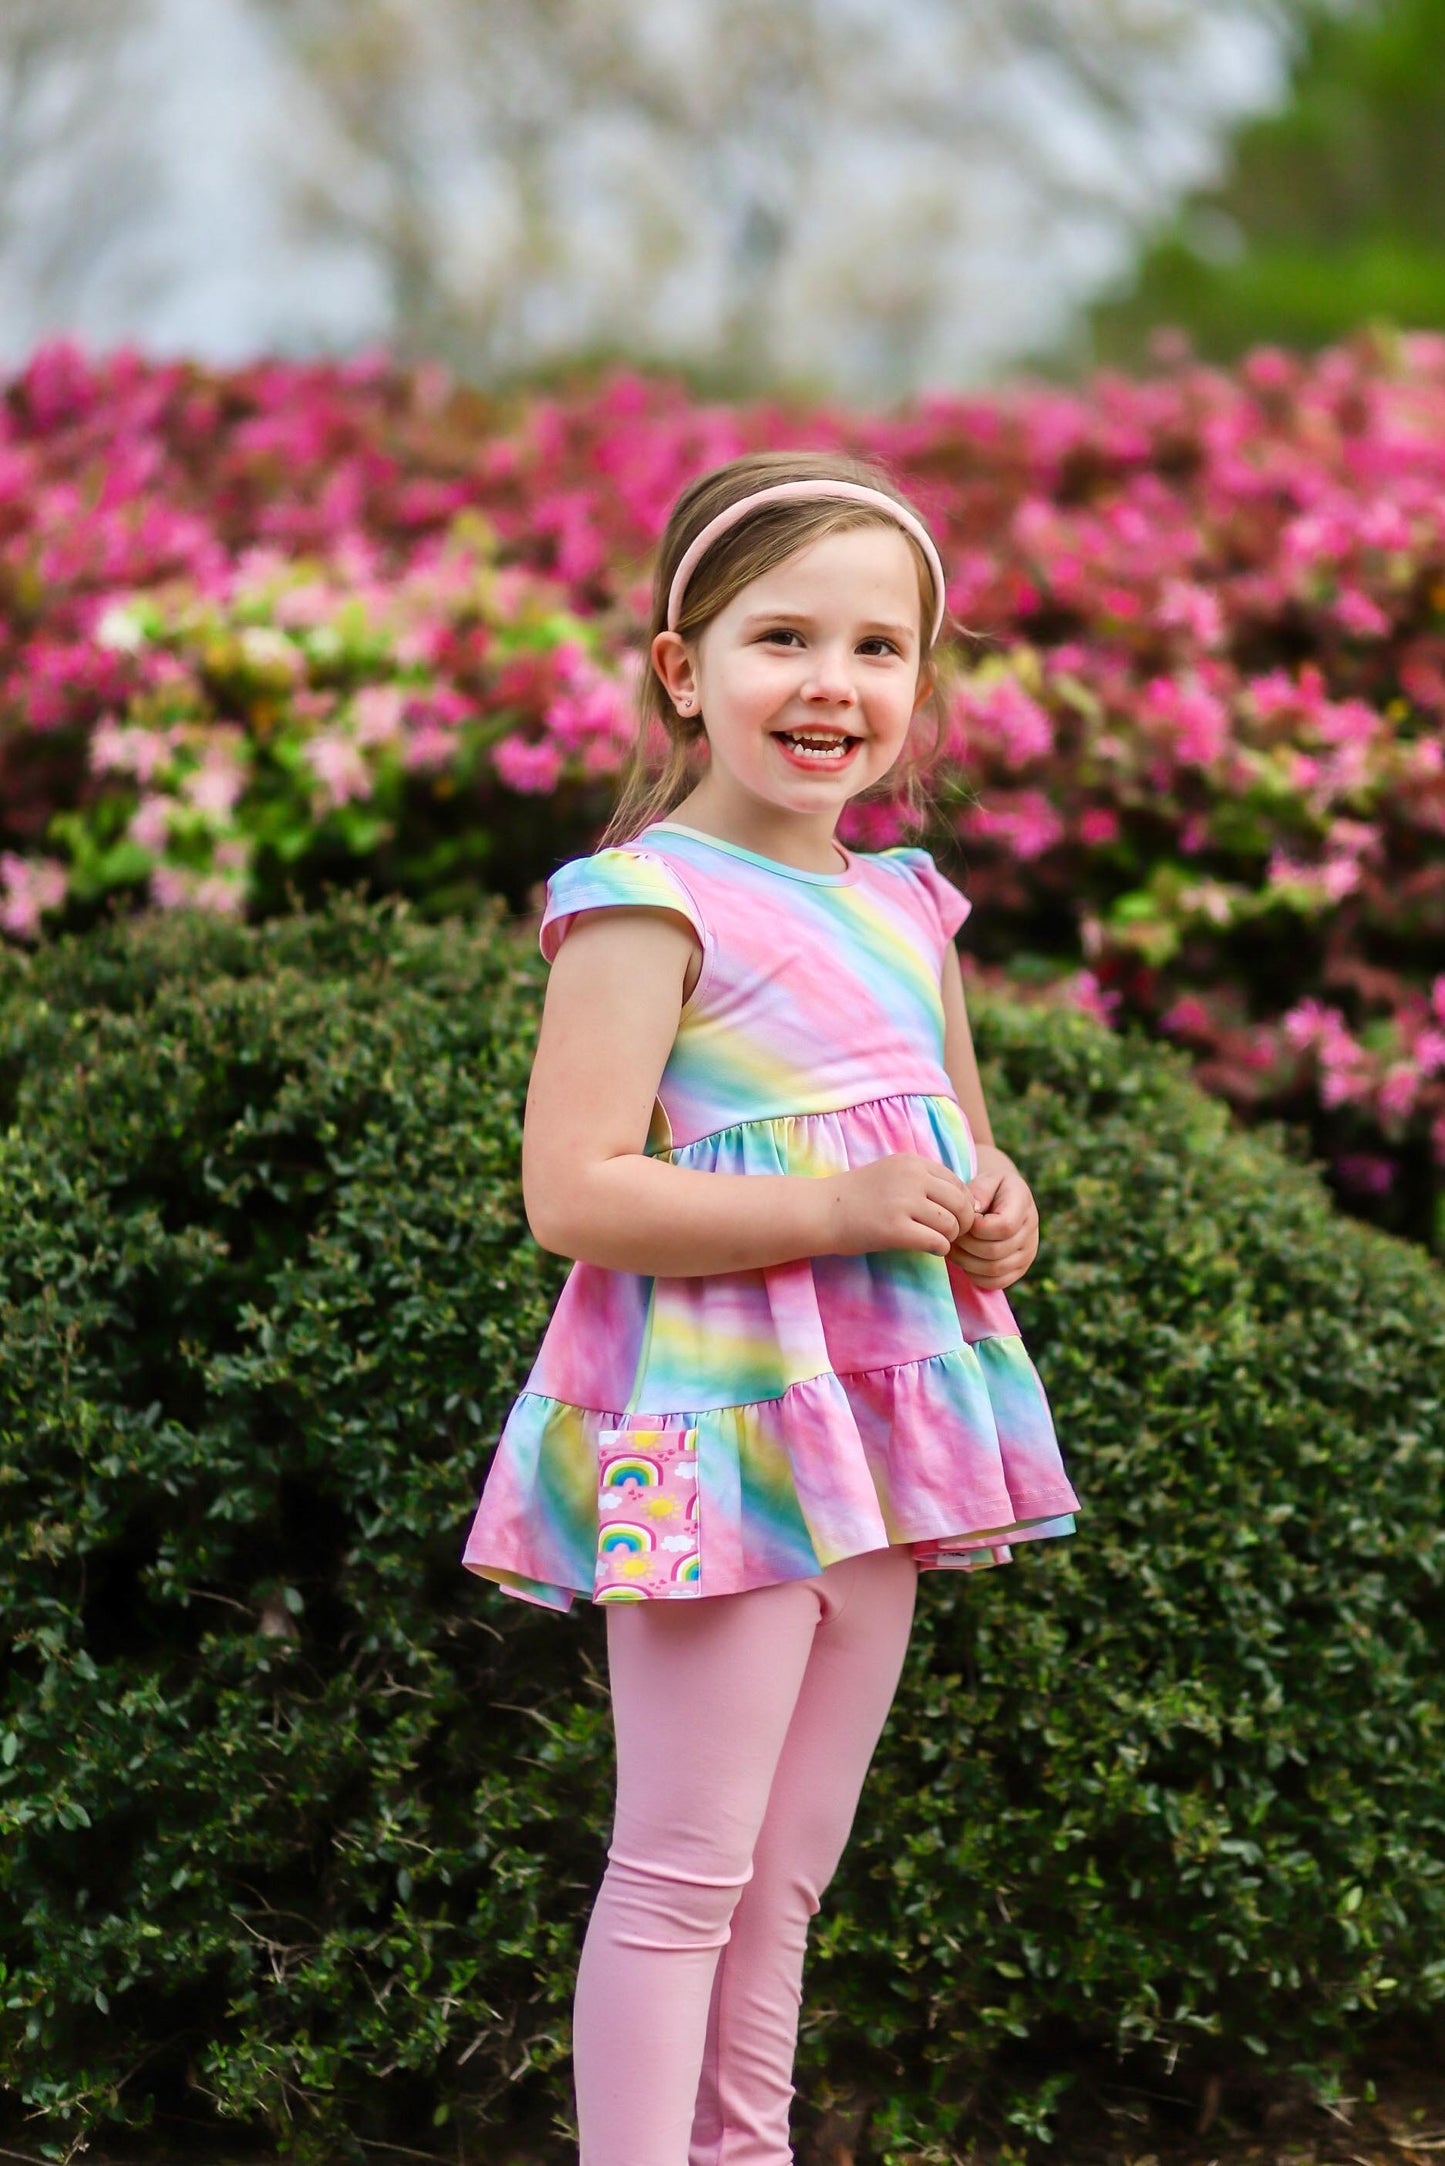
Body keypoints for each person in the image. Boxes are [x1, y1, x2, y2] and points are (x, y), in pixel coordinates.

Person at [461, 448, 1081, 2166]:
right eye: (781, 638)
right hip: (707, 1432)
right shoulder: (641, 900)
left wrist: (993, 1210)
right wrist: (829, 1204)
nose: (832, 683)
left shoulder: (906, 907)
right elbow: (572, 1190)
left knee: (788, 1868)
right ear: (684, 668)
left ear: (919, 685)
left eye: (879, 648)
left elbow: (946, 1142)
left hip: (881, 1426)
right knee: (680, 1866)